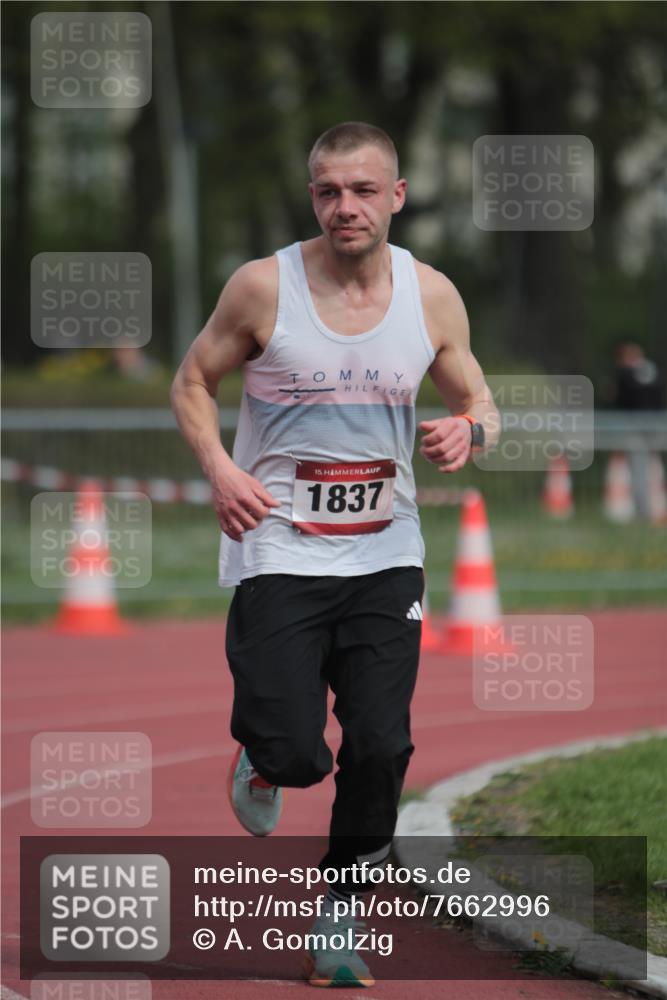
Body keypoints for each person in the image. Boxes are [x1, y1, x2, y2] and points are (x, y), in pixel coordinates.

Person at [171, 121, 500, 988]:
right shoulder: (260, 288)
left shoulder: (430, 295)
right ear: (311, 195)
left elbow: (479, 398)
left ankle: (338, 912)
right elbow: (192, 381)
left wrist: (468, 429)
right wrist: (219, 468)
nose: (342, 207)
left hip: (385, 555)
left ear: (395, 196)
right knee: (296, 752)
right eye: (326, 191)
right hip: (276, 544)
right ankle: (264, 758)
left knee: (382, 746)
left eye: (361, 190)